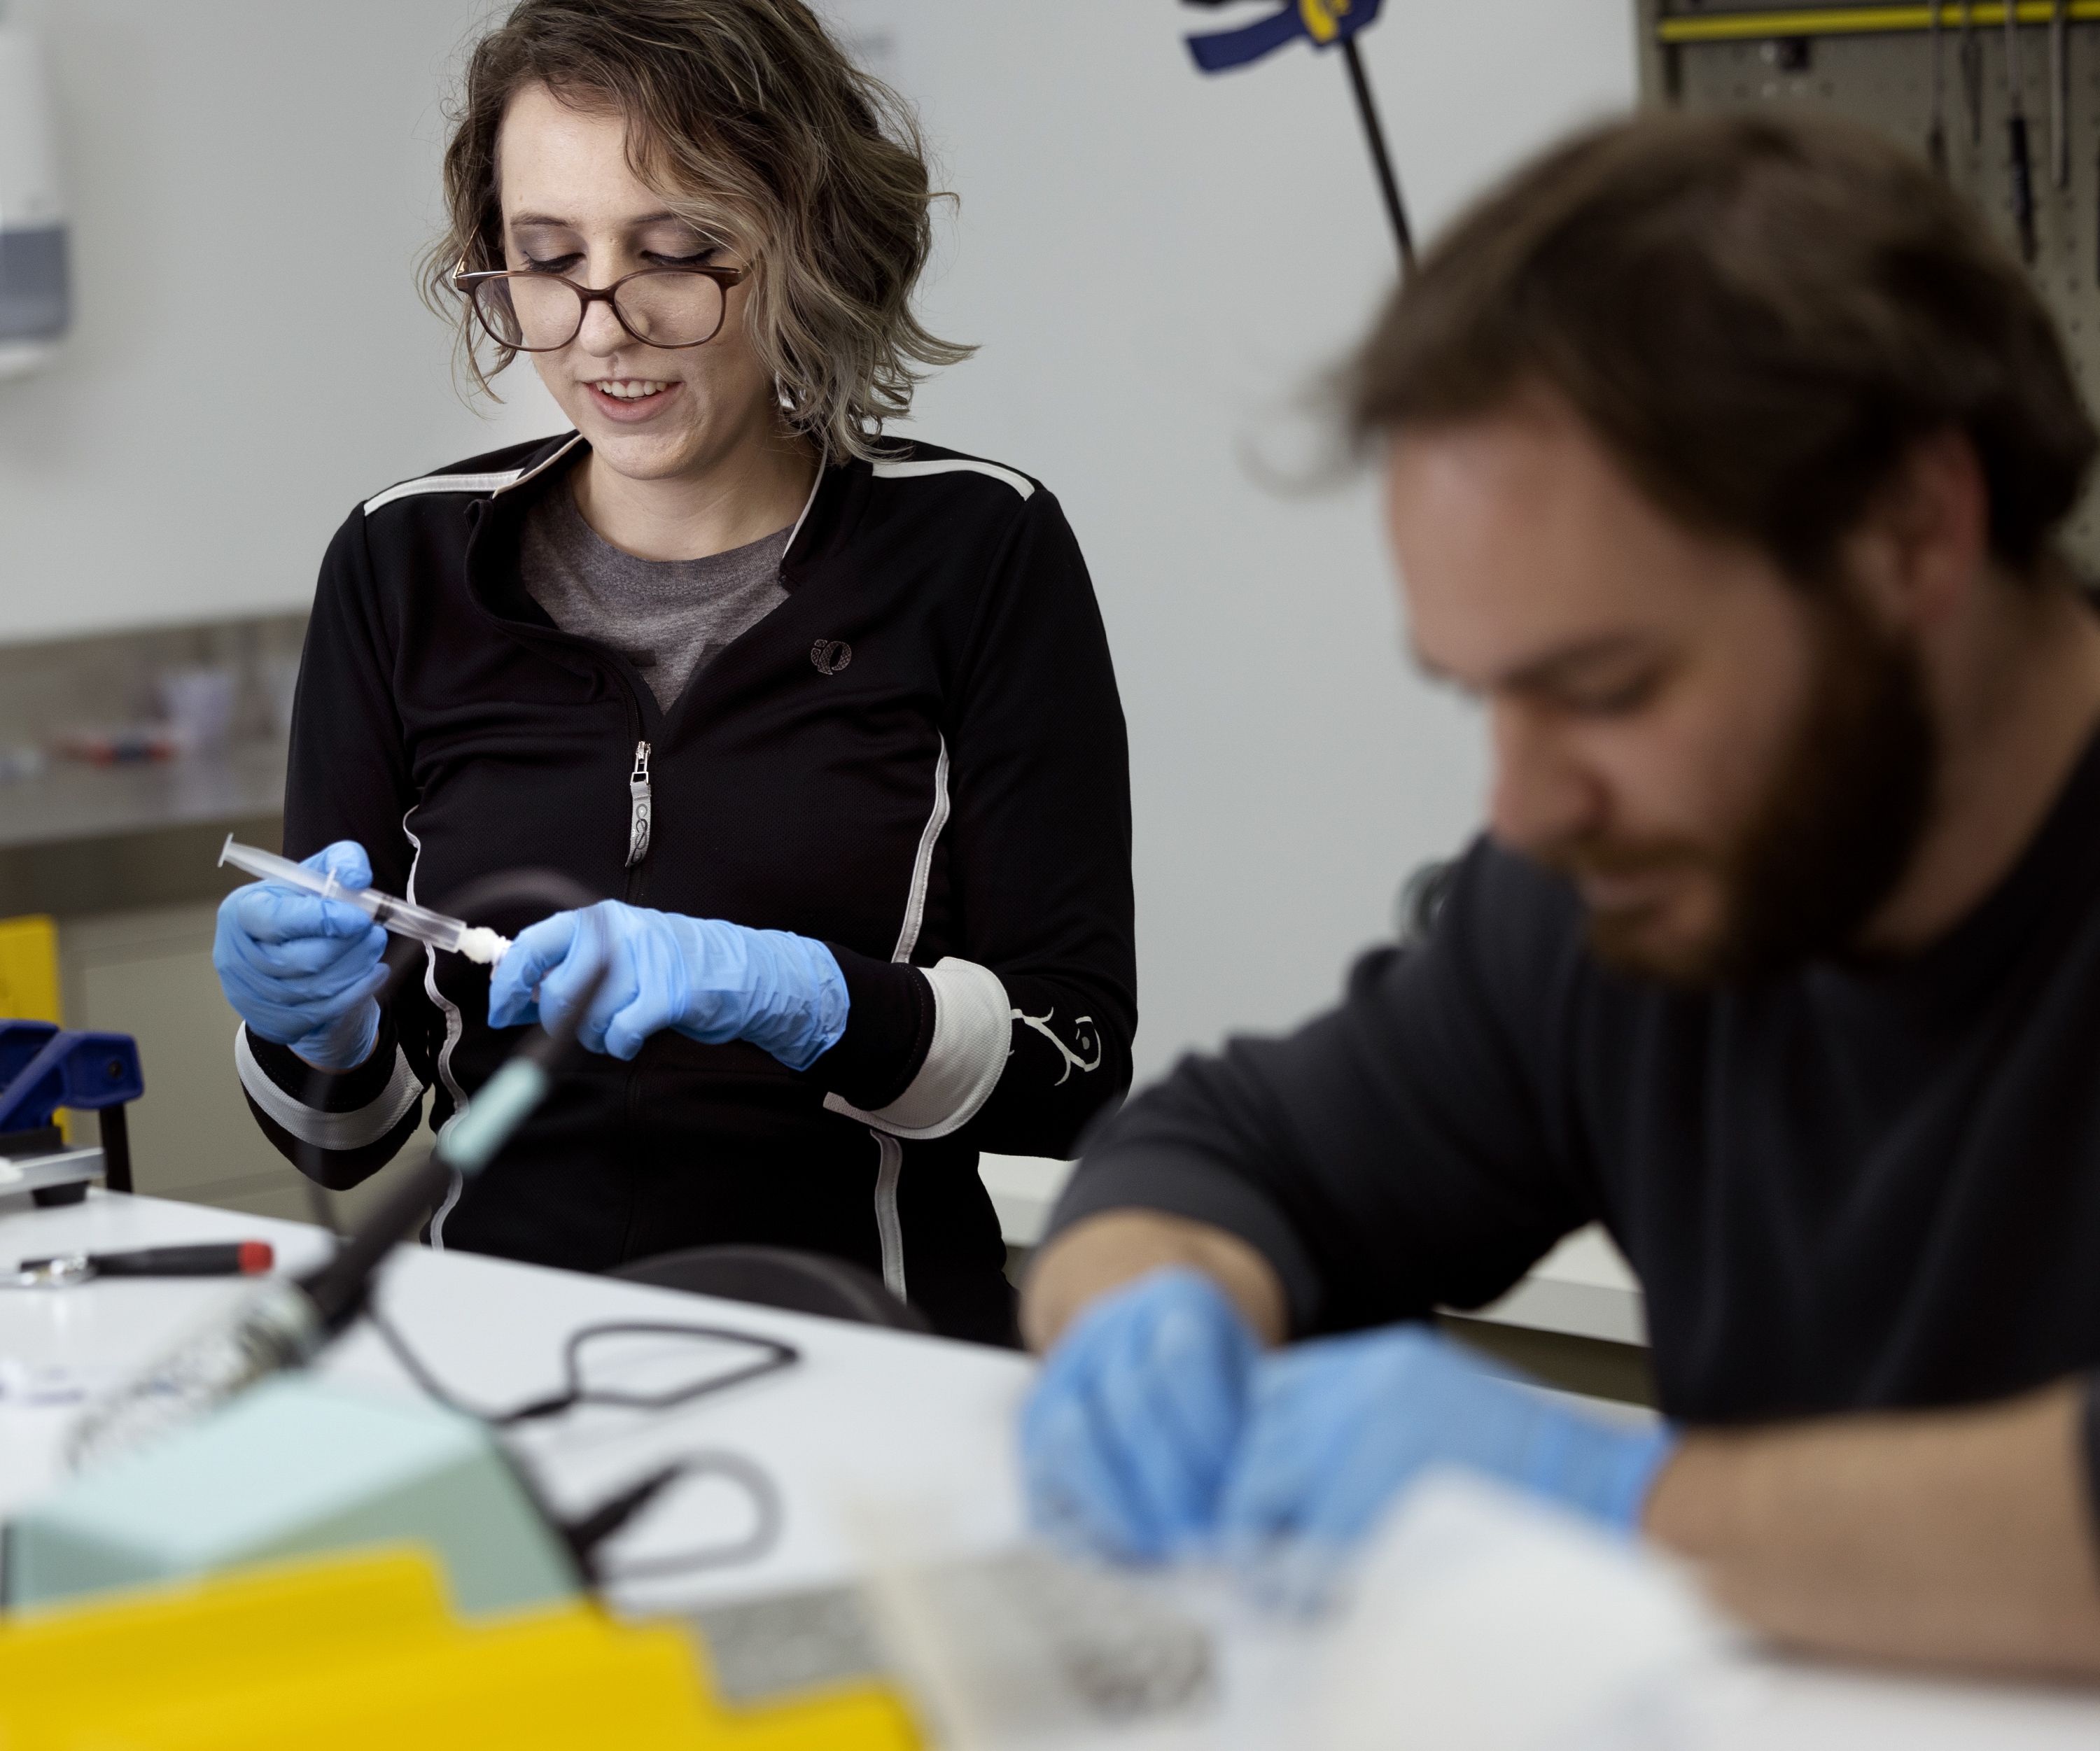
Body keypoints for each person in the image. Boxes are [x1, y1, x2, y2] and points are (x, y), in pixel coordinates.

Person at [1018, 111, 2100, 1675]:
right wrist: (1144, 1302)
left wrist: (1631, 1500)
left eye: (1605, 686)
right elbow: (1231, 1152)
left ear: (1908, 534)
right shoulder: (1608, 895)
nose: (1521, 807)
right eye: (1483, 697)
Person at [211, 0, 1133, 1345]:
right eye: (546, 258)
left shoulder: (979, 548)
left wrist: (811, 1003)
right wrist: (321, 1032)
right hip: (493, 1364)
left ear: (806, 243)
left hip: (872, 1361)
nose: (600, 327)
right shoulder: (400, 561)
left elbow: (1074, 1072)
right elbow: (347, 1147)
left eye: (678, 253)